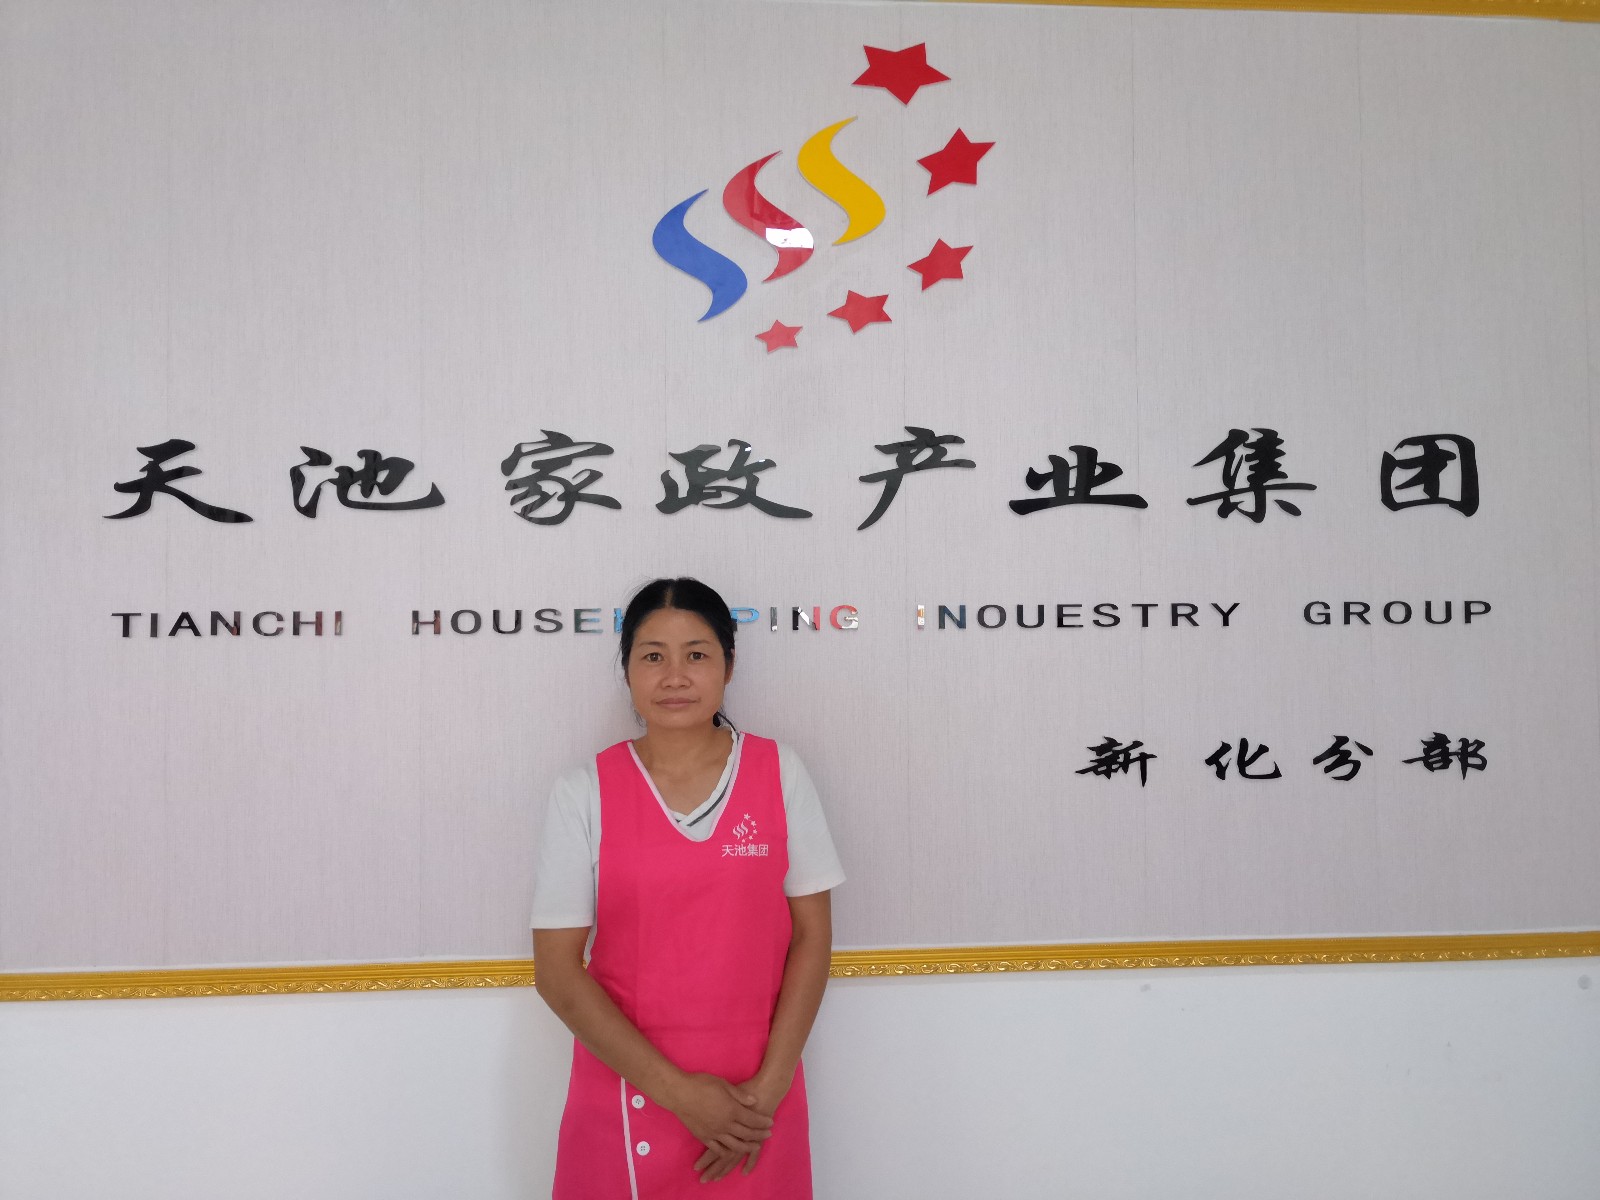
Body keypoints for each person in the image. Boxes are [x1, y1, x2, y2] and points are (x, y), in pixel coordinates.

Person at [531, 577, 845, 1198]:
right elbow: (557, 972)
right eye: (653, 656)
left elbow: (812, 936)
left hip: (755, 1103)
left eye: (696, 654)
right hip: (626, 1096)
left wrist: (769, 1089)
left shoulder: (779, 772)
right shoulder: (584, 791)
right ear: (626, 669)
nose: (674, 676)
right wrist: (679, 1095)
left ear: (730, 664)